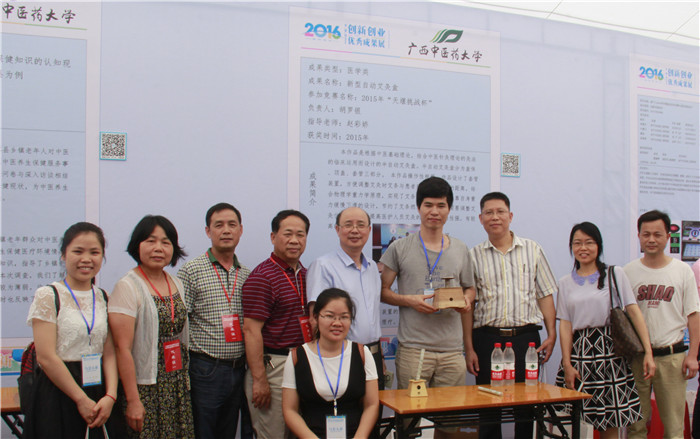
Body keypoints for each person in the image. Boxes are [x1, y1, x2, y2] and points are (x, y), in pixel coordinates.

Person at [379, 177, 474, 439]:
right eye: (428, 205)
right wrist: (410, 300)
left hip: (452, 352)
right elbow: (383, 291)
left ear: (449, 209)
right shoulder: (399, 247)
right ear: (419, 207)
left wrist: (466, 301)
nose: (434, 211)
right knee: (409, 424)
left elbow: (470, 288)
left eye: (441, 205)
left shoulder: (460, 249)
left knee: (450, 426)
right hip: (414, 350)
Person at [466, 191, 558, 439]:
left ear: (510, 215)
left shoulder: (532, 249)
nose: (495, 217)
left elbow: (545, 294)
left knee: (526, 408)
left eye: (500, 212)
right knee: (488, 408)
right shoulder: (473, 256)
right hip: (487, 339)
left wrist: (552, 334)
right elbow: (469, 306)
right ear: (481, 218)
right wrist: (469, 347)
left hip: (525, 340)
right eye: (489, 212)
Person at [555, 222, 655, 438]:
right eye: (577, 243)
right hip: (580, 353)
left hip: (610, 353)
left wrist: (648, 351)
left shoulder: (614, 274)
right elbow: (565, 324)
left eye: (589, 242)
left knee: (611, 419)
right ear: (571, 247)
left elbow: (633, 311)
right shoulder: (564, 283)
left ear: (598, 246)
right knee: (579, 419)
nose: (583, 248)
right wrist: (567, 364)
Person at [24, 222, 121, 439]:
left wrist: (111, 396)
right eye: (78, 251)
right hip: (60, 390)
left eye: (94, 252)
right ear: (63, 255)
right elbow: (46, 357)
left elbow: (109, 352)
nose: (86, 259)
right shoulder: (48, 295)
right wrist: (80, 399)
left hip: (99, 390)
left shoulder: (103, 297)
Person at [109, 215, 194, 439]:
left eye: (166, 242)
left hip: (176, 383)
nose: (158, 248)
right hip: (145, 386)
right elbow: (122, 349)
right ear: (137, 245)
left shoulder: (176, 283)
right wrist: (133, 400)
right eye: (150, 241)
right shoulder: (127, 286)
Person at [177, 203, 253, 439]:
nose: (226, 230)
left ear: (241, 230)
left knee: (228, 432)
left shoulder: (247, 274)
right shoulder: (191, 270)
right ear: (208, 231)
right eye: (219, 225)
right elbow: (180, 323)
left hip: (239, 369)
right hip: (205, 369)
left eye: (232, 225)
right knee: (204, 432)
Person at [624, 210, 700, 439]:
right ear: (638, 236)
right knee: (635, 426)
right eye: (646, 234)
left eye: (657, 234)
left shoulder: (683, 271)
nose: (651, 239)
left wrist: (692, 355)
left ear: (668, 236)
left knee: (674, 428)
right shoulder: (628, 272)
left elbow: (693, 315)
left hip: (672, 357)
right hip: (637, 359)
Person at [242, 209, 312, 439]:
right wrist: (259, 380)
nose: (294, 240)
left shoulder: (305, 274)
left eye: (300, 235)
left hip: (302, 362)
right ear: (273, 237)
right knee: (274, 433)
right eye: (288, 234)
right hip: (275, 366)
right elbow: (251, 330)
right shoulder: (262, 277)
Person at [282, 288, 380, 439]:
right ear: (316, 317)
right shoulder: (297, 356)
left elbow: (372, 405)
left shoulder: (362, 353)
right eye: (329, 316)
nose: (337, 323)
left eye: (344, 317)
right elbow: (290, 410)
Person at [306, 207, 384, 388]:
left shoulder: (372, 267)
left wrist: (379, 355)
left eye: (361, 225)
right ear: (337, 229)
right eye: (348, 225)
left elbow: (373, 316)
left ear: (369, 230)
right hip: (340, 356)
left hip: (373, 354)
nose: (355, 230)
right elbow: (315, 319)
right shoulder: (323, 266)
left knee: (375, 404)